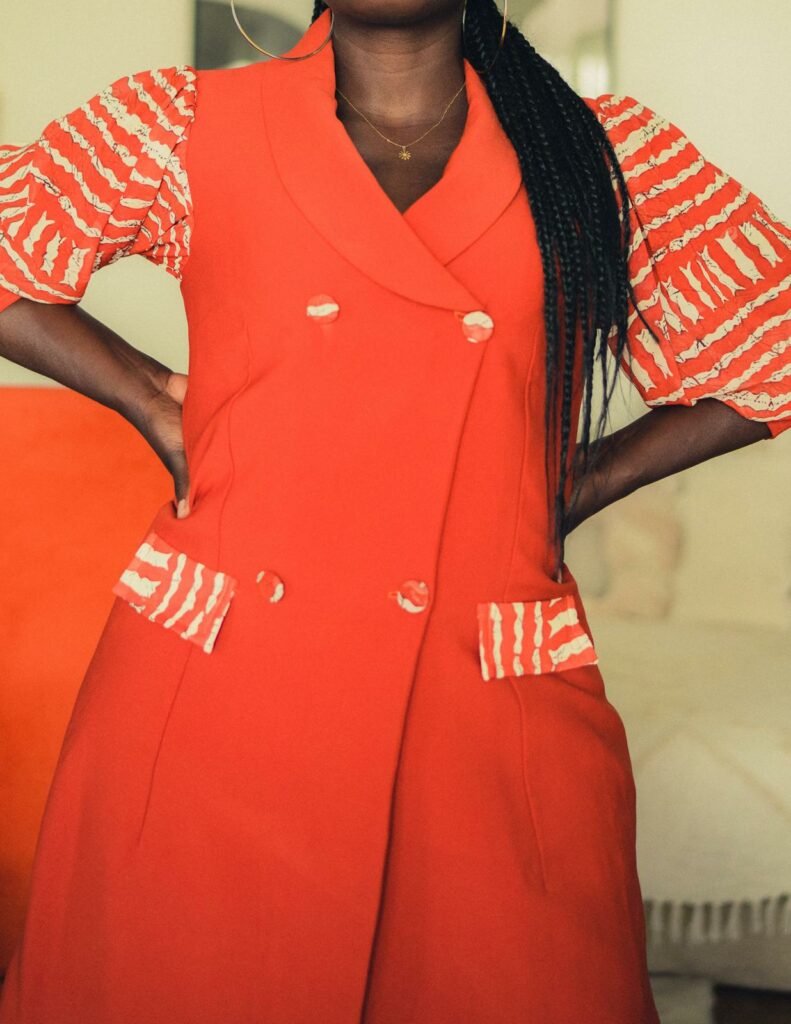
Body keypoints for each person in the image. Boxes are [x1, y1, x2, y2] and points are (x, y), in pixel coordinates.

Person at [0, 2, 789, 1021]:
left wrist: (590, 478)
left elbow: (773, 334)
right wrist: (148, 395)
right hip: (218, 693)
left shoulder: (590, 149)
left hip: (486, 697)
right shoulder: (187, 125)